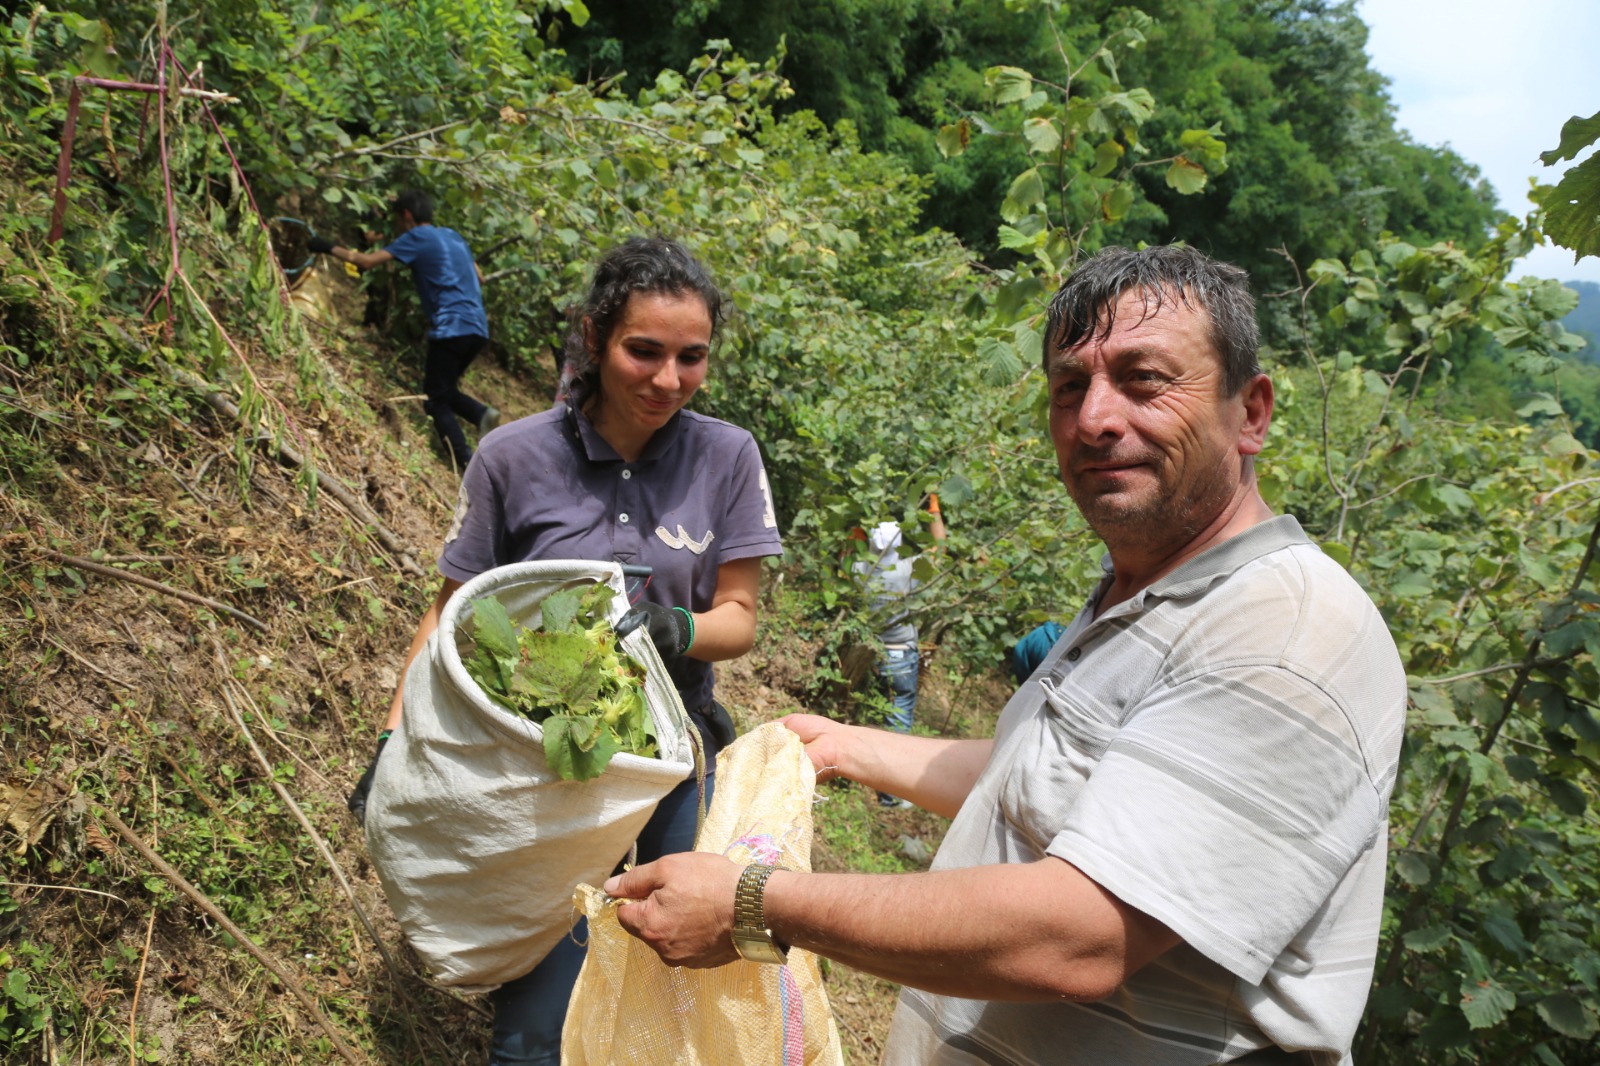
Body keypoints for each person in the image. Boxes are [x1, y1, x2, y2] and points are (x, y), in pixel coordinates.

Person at [598, 245, 1407, 1064]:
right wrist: (849, 747)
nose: (1096, 417)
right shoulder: (1140, 590)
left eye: (1145, 379)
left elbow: (1079, 937)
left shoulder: (1284, 633)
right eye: (1070, 386)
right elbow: (1056, 781)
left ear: (1253, 413)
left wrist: (755, 906)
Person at [346, 236, 784, 1065]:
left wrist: (678, 629)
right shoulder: (514, 456)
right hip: (546, 763)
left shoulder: (727, 455)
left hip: (670, 754)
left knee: (674, 970)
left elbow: (740, 615)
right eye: (643, 351)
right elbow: (449, 618)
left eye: (692, 358)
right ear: (593, 337)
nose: (668, 380)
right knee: (532, 1026)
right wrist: (392, 742)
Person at [310, 189, 499, 469]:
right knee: (444, 389)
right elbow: (480, 278)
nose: (397, 224)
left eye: (397, 218)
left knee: (435, 401)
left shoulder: (416, 237)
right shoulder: (453, 235)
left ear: (407, 215)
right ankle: (482, 414)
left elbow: (364, 261)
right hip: (477, 327)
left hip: (451, 326)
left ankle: (465, 460)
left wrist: (325, 246)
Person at [850, 502, 945, 808]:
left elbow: (848, 552)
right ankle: (890, 795)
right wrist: (934, 510)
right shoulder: (906, 569)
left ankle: (862, 775)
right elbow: (939, 548)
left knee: (872, 715)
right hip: (900, 655)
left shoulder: (861, 569)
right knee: (898, 724)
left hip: (870, 654)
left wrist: (858, 518)